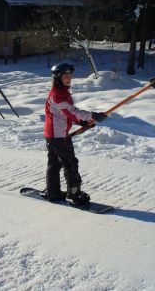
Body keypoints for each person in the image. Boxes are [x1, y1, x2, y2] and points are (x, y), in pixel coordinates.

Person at [44, 62, 107, 205]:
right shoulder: (58, 95)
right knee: (70, 163)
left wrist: (81, 122)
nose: (69, 78)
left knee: (54, 164)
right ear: (58, 78)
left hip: (53, 134)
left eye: (70, 76)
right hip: (58, 135)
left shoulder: (60, 92)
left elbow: (64, 115)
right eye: (65, 76)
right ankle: (74, 194)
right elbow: (72, 112)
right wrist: (93, 115)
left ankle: (52, 192)